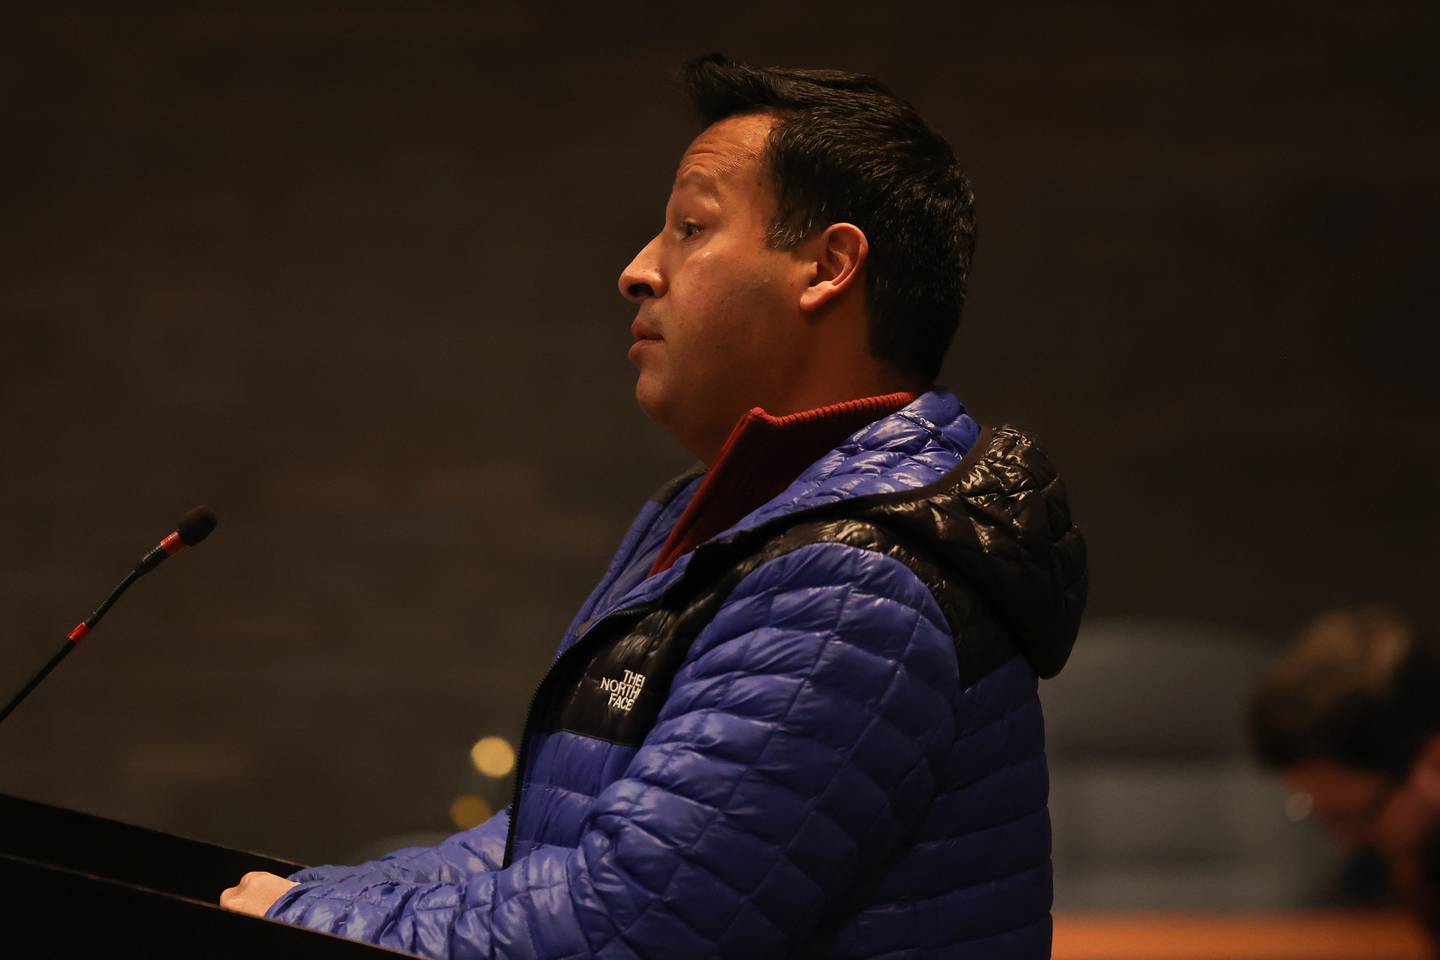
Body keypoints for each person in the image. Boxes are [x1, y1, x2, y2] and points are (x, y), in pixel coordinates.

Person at [221, 53, 1088, 959]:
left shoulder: (858, 585)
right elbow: (550, 840)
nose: (638, 270)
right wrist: (320, 894)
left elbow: (632, 925)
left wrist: (306, 920)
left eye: (689, 227)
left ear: (827, 266)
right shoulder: (740, 516)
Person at [1249, 606, 1440, 942]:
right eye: (1320, 812)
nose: (1348, 843)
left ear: (1434, 763)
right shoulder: (1418, 871)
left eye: (1357, 816)